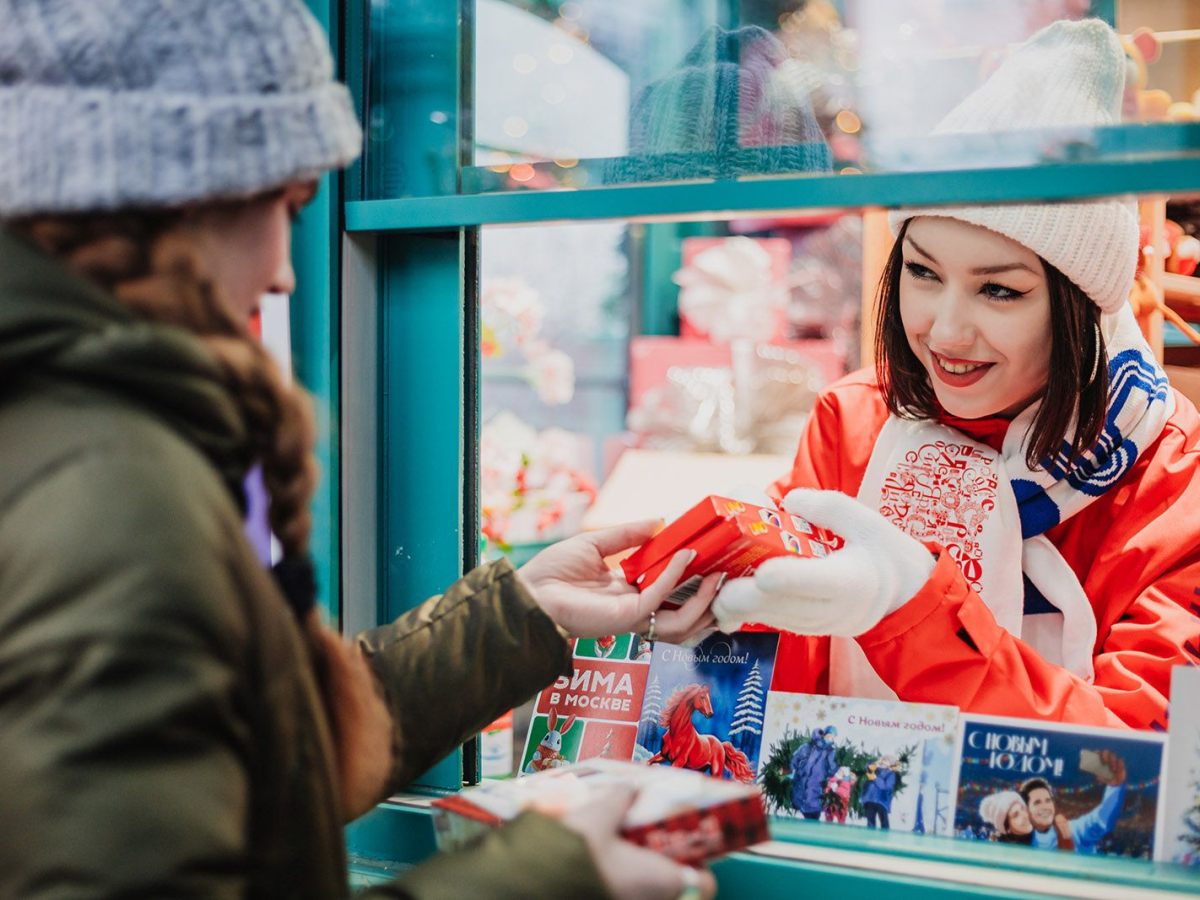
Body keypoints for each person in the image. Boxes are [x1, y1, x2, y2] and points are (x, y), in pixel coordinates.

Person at [0, 3, 721, 899]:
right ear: (179, 200)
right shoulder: (111, 486)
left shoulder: (62, 432)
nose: (284, 272)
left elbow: (246, 760)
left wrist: (522, 615)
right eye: (288, 205)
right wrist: (553, 875)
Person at [712, 18, 1200, 730]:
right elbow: (774, 706)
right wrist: (708, 593)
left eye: (999, 290)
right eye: (922, 273)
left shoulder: (1166, 467)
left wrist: (916, 614)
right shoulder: (855, 420)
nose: (944, 332)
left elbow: (1134, 758)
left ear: (1079, 305)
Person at [1020, 750, 1128, 854]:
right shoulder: (1019, 837)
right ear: (1026, 809)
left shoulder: (1073, 829)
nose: (1045, 807)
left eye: (1048, 801)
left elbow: (1100, 821)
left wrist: (1115, 786)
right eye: (1037, 802)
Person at [788, 726, 839, 820]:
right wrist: (792, 770)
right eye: (829, 736)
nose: (830, 739)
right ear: (824, 735)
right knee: (807, 809)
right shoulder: (808, 747)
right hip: (803, 783)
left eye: (833, 737)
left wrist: (833, 773)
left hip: (816, 786)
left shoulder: (830, 751)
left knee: (813, 812)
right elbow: (795, 758)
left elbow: (833, 769)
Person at [860, 756, 898, 830]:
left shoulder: (891, 774)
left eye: (886, 760)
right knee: (870, 821)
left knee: (884, 821)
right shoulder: (876, 769)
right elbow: (865, 768)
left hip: (881, 801)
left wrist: (875, 778)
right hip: (870, 799)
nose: (883, 761)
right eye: (883, 759)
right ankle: (870, 833)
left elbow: (886, 786)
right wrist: (873, 764)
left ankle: (885, 834)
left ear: (891, 764)